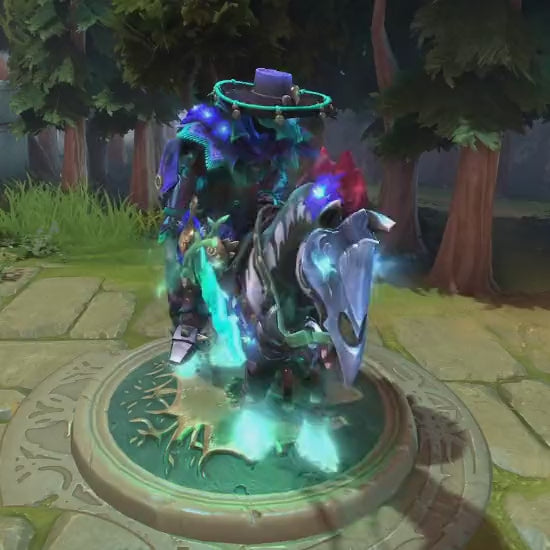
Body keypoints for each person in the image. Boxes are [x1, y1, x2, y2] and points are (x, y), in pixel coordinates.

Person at [155, 68, 336, 332]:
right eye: (276, 113)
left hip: (256, 212)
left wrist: (273, 203)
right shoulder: (213, 131)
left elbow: (278, 178)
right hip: (210, 210)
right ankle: (188, 321)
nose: (283, 121)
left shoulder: (282, 136)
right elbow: (188, 176)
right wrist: (175, 219)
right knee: (194, 254)